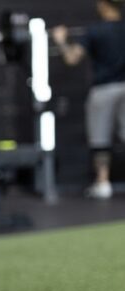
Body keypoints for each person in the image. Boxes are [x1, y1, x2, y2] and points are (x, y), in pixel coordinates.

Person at [53, 0, 125, 199]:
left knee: (99, 138)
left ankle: (103, 183)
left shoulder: (95, 31)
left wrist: (60, 40)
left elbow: (72, 58)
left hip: (103, 90)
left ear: (104, 5)